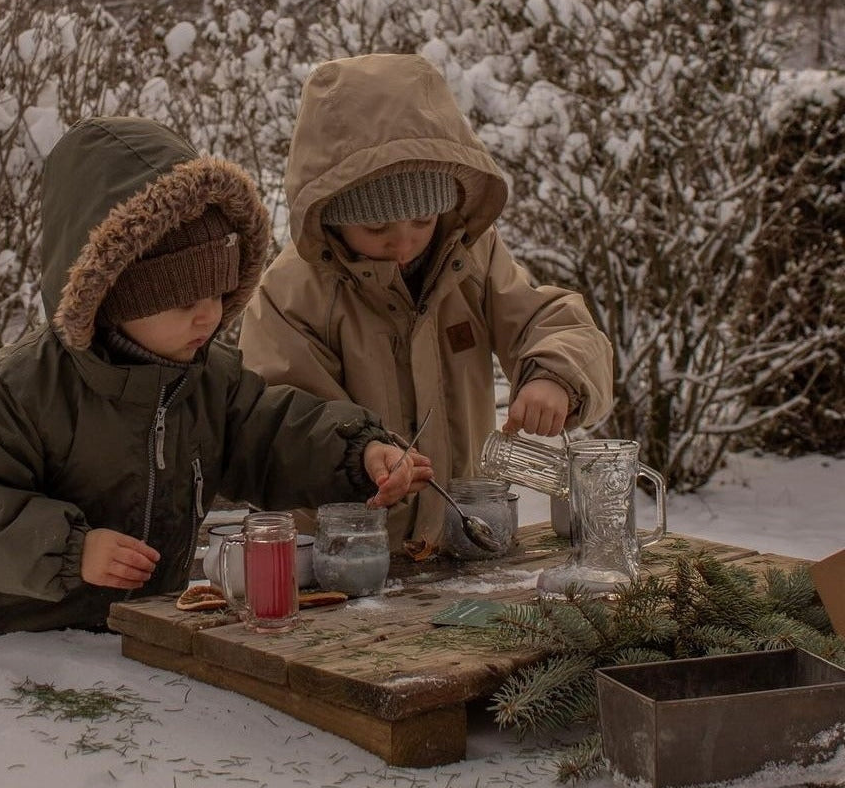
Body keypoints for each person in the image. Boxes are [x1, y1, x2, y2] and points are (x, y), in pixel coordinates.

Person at [0, 116, 430, 649]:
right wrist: (69, 549)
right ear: (114, 293)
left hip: (128, 643)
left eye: (220, 293)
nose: (210, 317)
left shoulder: (207, 376)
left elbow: (272, 433)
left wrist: (357, 453)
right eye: (185, 302)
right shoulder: (17, 388)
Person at [238, 53, 613, 555]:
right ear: (330, 215)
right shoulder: (292, 294)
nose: (405, 243)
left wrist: (555, 375)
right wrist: (360, 455)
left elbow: (547, 318)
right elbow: (281, 420)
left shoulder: (470, 255)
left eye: (422, 220)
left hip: (461, 542)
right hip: (341, 557)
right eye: (377, 228)